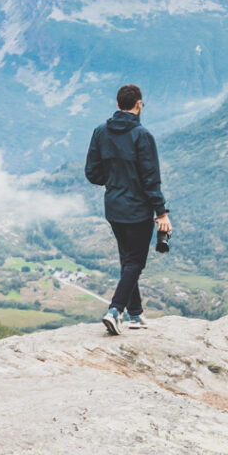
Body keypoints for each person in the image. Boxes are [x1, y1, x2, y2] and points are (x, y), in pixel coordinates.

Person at [84, 83, 171, 335]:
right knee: (136, 262)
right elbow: (151, 179)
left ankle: (135, 314)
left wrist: (113, 181)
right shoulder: (142, 136)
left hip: (113, 208)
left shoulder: (101, 132)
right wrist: (161, 213)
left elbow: (92, 172)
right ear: (139, 104)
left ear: (117, 104)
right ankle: (115, 310)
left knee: (127, 259)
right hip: (137, 210)